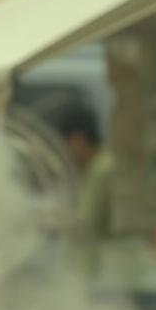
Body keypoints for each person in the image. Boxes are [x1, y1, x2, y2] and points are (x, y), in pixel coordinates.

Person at [56, 104, 115, 264]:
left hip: (100, 271)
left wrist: (48, 219)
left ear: (77, 141)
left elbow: (84, 222)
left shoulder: (103, 170)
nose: (64, 155)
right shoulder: (91, 169)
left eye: (63, 146)